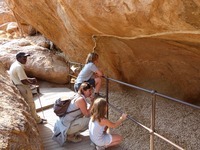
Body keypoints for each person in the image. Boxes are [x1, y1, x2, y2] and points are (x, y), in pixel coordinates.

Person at [9, 52, 47, 124]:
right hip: (23, 87)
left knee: (29, 104)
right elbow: (23, 81)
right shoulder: (19, 67)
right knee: (31, 104)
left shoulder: (15, 64)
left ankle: (35, 118)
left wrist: (30, 79)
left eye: (26, 57)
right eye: (23, 57)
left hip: (19, 86)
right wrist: (32, 83)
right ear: (18, 58)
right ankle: (37, 120)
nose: (25, 59)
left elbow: (22, 78)